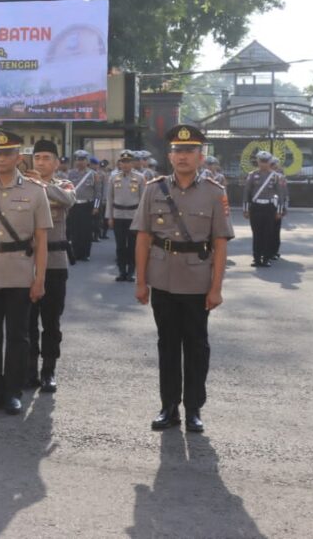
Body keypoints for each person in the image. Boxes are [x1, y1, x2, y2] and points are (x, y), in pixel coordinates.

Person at [133, 124, 233, 433]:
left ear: (201, 156)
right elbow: (143, 238)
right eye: (177, 150)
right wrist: (140, 281)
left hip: (196, 282)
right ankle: (169, 407)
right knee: (167, 346)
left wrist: (216, 288)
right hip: (162, 279)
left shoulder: (215, 193)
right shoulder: (154, 188)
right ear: (169, 155)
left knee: (196, 346)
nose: (182, 156)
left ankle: (193, 409)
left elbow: (220, 243)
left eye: (189, 151)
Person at [0, 130, 51, 416]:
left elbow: (41, 240)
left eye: (6, 153)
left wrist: (39, 278)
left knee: (18, 335)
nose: (0, 158)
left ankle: (13, 392)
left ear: (17, 157)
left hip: (19, 270)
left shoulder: (35, 191)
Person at [26, 140, 74, 393]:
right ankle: (29, 368)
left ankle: (49, 369)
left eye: (47, 158)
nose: (41, 162)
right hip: (25, 261)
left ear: (56, 163)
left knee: (51, 320)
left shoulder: (63, 185)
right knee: (26, 321)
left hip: (55, 262)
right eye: (37, 158)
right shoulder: (21, 184)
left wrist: (41, 184)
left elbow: (68, 200)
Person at [106, 150, 146, 282]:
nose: (125, 165)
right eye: (123, 162)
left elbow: (143, 200)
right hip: (118, 216)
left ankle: (131, 271)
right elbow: (109, 199)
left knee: (133, 246)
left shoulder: (140, 178)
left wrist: (142, 218)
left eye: (128, 162)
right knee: (120, 245)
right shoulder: (113, 178)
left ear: (132, 163)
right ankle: (121, 271)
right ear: (120, 163)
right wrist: (110, 217)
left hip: (134, 216)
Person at [242, 150, 286, 267]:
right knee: (256, 234)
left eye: (266, 161)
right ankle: (256, 258)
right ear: (257, 161)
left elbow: (281, 195)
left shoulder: (276, 176)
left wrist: (279, 211)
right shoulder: (252, 175)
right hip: (256, 207)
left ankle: (266, 259)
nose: (263, 164)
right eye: (261, 161)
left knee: (268, 233)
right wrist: (246, 209)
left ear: (270, 162)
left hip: (269, 207)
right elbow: (247, 192)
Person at [66, 150, 99, 262]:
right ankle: (76, 252)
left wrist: (96, 206)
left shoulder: (93, 174)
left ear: (87, 161)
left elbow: (97, 192)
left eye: (82, 160)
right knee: (74, 230)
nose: (80, 162)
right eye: (78, 160)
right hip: (74, 205)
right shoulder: (70, 174)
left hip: (87, 205)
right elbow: (66, 190)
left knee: (86, 231)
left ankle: (85, 253)